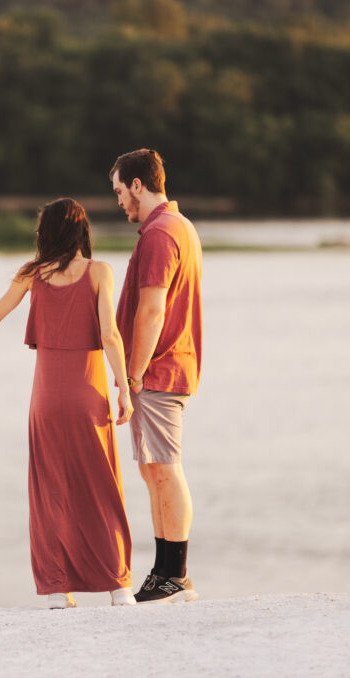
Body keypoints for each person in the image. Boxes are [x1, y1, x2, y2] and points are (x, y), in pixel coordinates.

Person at [0, 198, 137, 609]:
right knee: (100, 487)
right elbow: (110, 334)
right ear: (82, 231)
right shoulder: (100, 273)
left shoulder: (31, 274)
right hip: (88, 396)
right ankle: (118, 587)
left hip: (46, 400)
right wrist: (124, 387)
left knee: (51, 491)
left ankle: (57, 590)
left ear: (46, 232)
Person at [111, 149, 202, 604]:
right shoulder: (176, 226)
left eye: (119, 191)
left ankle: (176, 575)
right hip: (164, 367)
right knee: (153, 471)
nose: (119, 201)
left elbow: (152, 309)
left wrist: (133, 375)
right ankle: (163, 570)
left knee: (165, 469)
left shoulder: (161, 234)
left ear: (138, 185)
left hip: (159, 369)